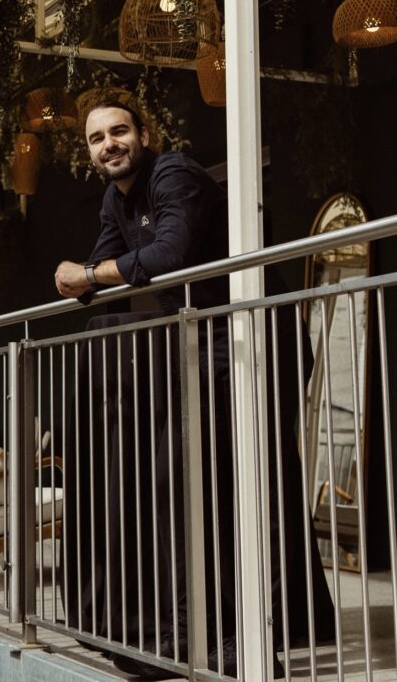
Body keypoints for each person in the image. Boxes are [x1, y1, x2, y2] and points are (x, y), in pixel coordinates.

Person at [54, 101, 334, 680]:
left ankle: (250, 637)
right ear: (89, 151)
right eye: (97, 138)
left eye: (119, 131)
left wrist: (88, 274)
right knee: (215, 483)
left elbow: (167, 254)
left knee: (251, 482)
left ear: (144, 133)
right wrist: (87, 273)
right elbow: (104, 267)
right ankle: (260, 623)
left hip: (256, 335)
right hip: (207, 343)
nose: (109, 144)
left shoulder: (173, 174)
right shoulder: (115, 198)